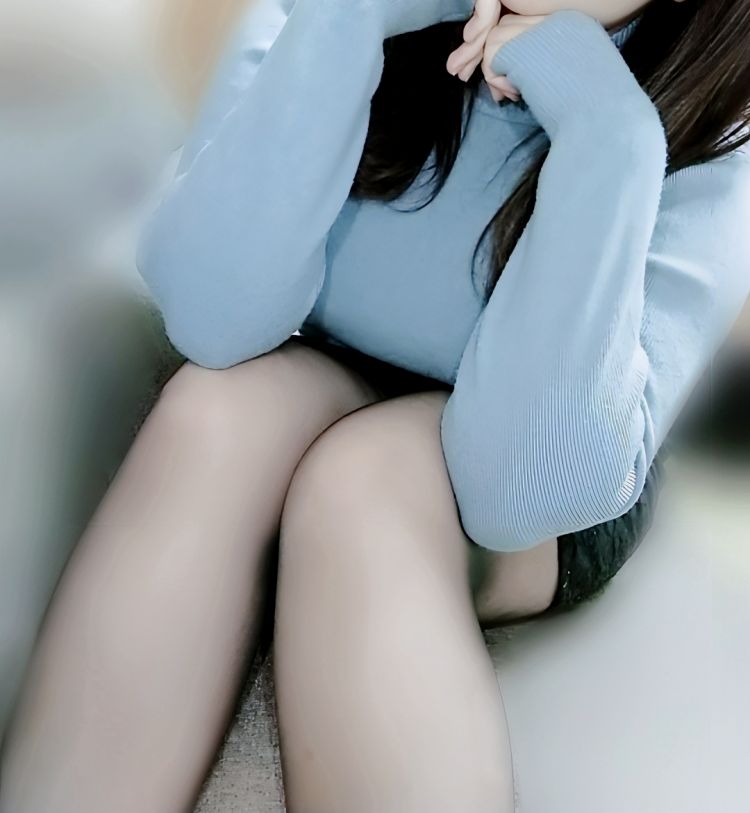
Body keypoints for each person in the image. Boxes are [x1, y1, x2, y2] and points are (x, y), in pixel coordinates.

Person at [2, 0, 748, 811]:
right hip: (313, 366)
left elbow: (523, 490)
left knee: (368, 483)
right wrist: (348, 18)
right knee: (220, 412)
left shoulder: (720, 119)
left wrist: (607, 133)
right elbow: (208, 317)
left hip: (557, 432)